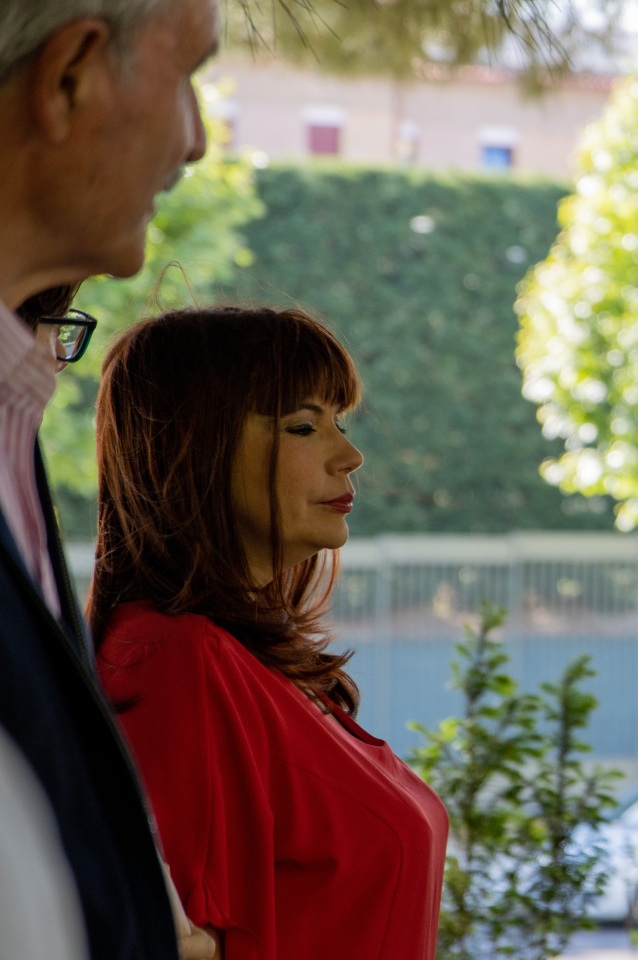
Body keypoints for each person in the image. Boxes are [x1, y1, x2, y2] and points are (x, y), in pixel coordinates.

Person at [91, 306, 449, 960]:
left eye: (339, 423)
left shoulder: (251, 662)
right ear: (195, 446)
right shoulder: (176, 659)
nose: (350, 456)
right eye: (303, 426)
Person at [0, 0, 217, 956]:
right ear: (70, 77)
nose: (196, 141)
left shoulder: (14, 420)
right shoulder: (179, 662)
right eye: (188, 76)